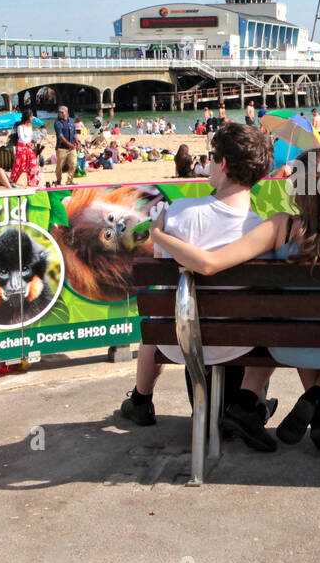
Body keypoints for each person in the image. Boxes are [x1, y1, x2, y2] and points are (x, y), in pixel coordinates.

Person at [150, 148, 320, 449]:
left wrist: (159, 234)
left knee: (295, 320)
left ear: (300, 187)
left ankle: (296, 407)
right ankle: (315, 397)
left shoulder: (280, 227)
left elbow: (209, 264)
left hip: (286, 345)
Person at [119, 123, 277, 448]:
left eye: (212, 156)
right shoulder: (261, 230)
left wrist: (160, 234)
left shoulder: (180, 214)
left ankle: (141, 400)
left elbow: (163, 265)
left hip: (179, 339)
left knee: (159, 319)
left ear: (223, 165)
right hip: (239, 344)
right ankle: (247, 406)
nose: (208, 163)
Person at [11, 110, 41, 187]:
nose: (32, 118)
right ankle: (12, 181)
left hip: (29, 147)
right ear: (28, 117)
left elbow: (30, 137)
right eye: (31, 116)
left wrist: (33, 141)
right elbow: (21, 137)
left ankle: (33, 183)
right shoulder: (20, 126)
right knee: (19, 166)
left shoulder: (30, 126)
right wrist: (27, 143)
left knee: (33, 164)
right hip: (22, 147)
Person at [53, 105, 77, 186]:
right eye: (59, 112)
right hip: (61, 148)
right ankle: (58, 180)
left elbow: (74, 133)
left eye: (61, 112)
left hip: (71, 148)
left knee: (73, 164)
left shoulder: (72, 121)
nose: (59, 114)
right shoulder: (57, 123)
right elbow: (60, 136)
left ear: (66, 112)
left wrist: (77, 141)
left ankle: (70, 180)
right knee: (59, 166)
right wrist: (69, 144)